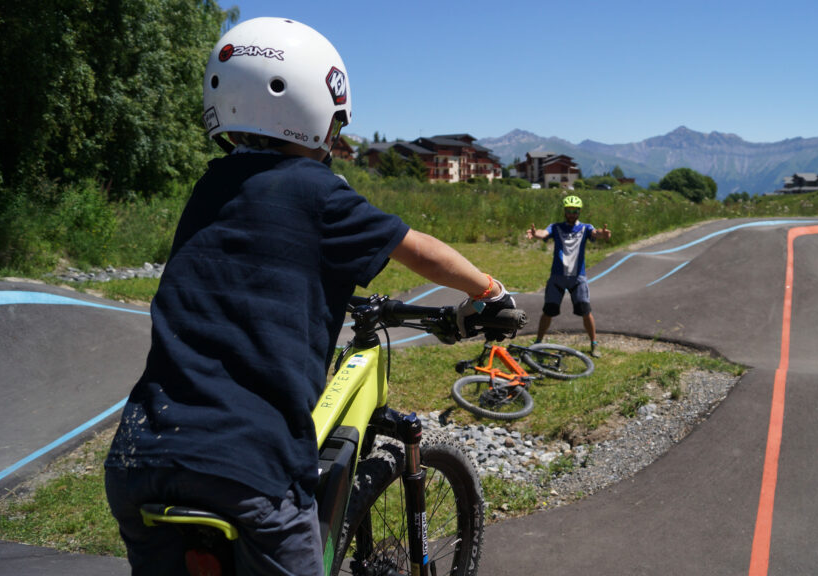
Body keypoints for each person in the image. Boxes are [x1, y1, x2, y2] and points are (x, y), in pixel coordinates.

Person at [103, 17, 515, 576]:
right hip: (245, 464)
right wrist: (489, 291)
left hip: (139, 455)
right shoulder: (320, 192)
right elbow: (416, 249)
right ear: (317, 116)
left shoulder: (208, 188)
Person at [526, 195, 611, 358]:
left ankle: (594, 343)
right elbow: (544, 233)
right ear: (564, 211)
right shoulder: (556, 227)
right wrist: (535, 233)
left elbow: (596, 233)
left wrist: (603, 234)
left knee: (586, 311)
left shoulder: (585, 228)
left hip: (577, 278)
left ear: (579, 212)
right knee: (548, 311)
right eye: (569, 211)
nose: (572, 214)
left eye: (575, 211)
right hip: (557, 277)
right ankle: (538, 342)